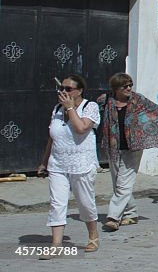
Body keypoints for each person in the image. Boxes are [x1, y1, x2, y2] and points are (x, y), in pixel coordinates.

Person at [96, 73, 158, 231]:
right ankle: (131, 213)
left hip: (134, 146)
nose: (128, 88)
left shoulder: (138, 100)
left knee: (124, 184)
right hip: (113, 146)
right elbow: (93, 116)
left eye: (130, 85)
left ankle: (113, 217)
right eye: (125, 86)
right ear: (116, 88)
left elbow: (156, 111)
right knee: (118, 184)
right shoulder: (105, 101)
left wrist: (149, 129)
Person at [36, 74, 101, 256]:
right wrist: (44, 162)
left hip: (81, 163)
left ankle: (93, 234)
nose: (63, 92)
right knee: (57, 203)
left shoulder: (90, 107)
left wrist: (71, 108)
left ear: (79, 91)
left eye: (68, 89)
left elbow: (81, 129)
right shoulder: (57, 109)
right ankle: (56, 245)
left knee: (85, 203)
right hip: (58, 163)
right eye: (61, 88)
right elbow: (53, 136)